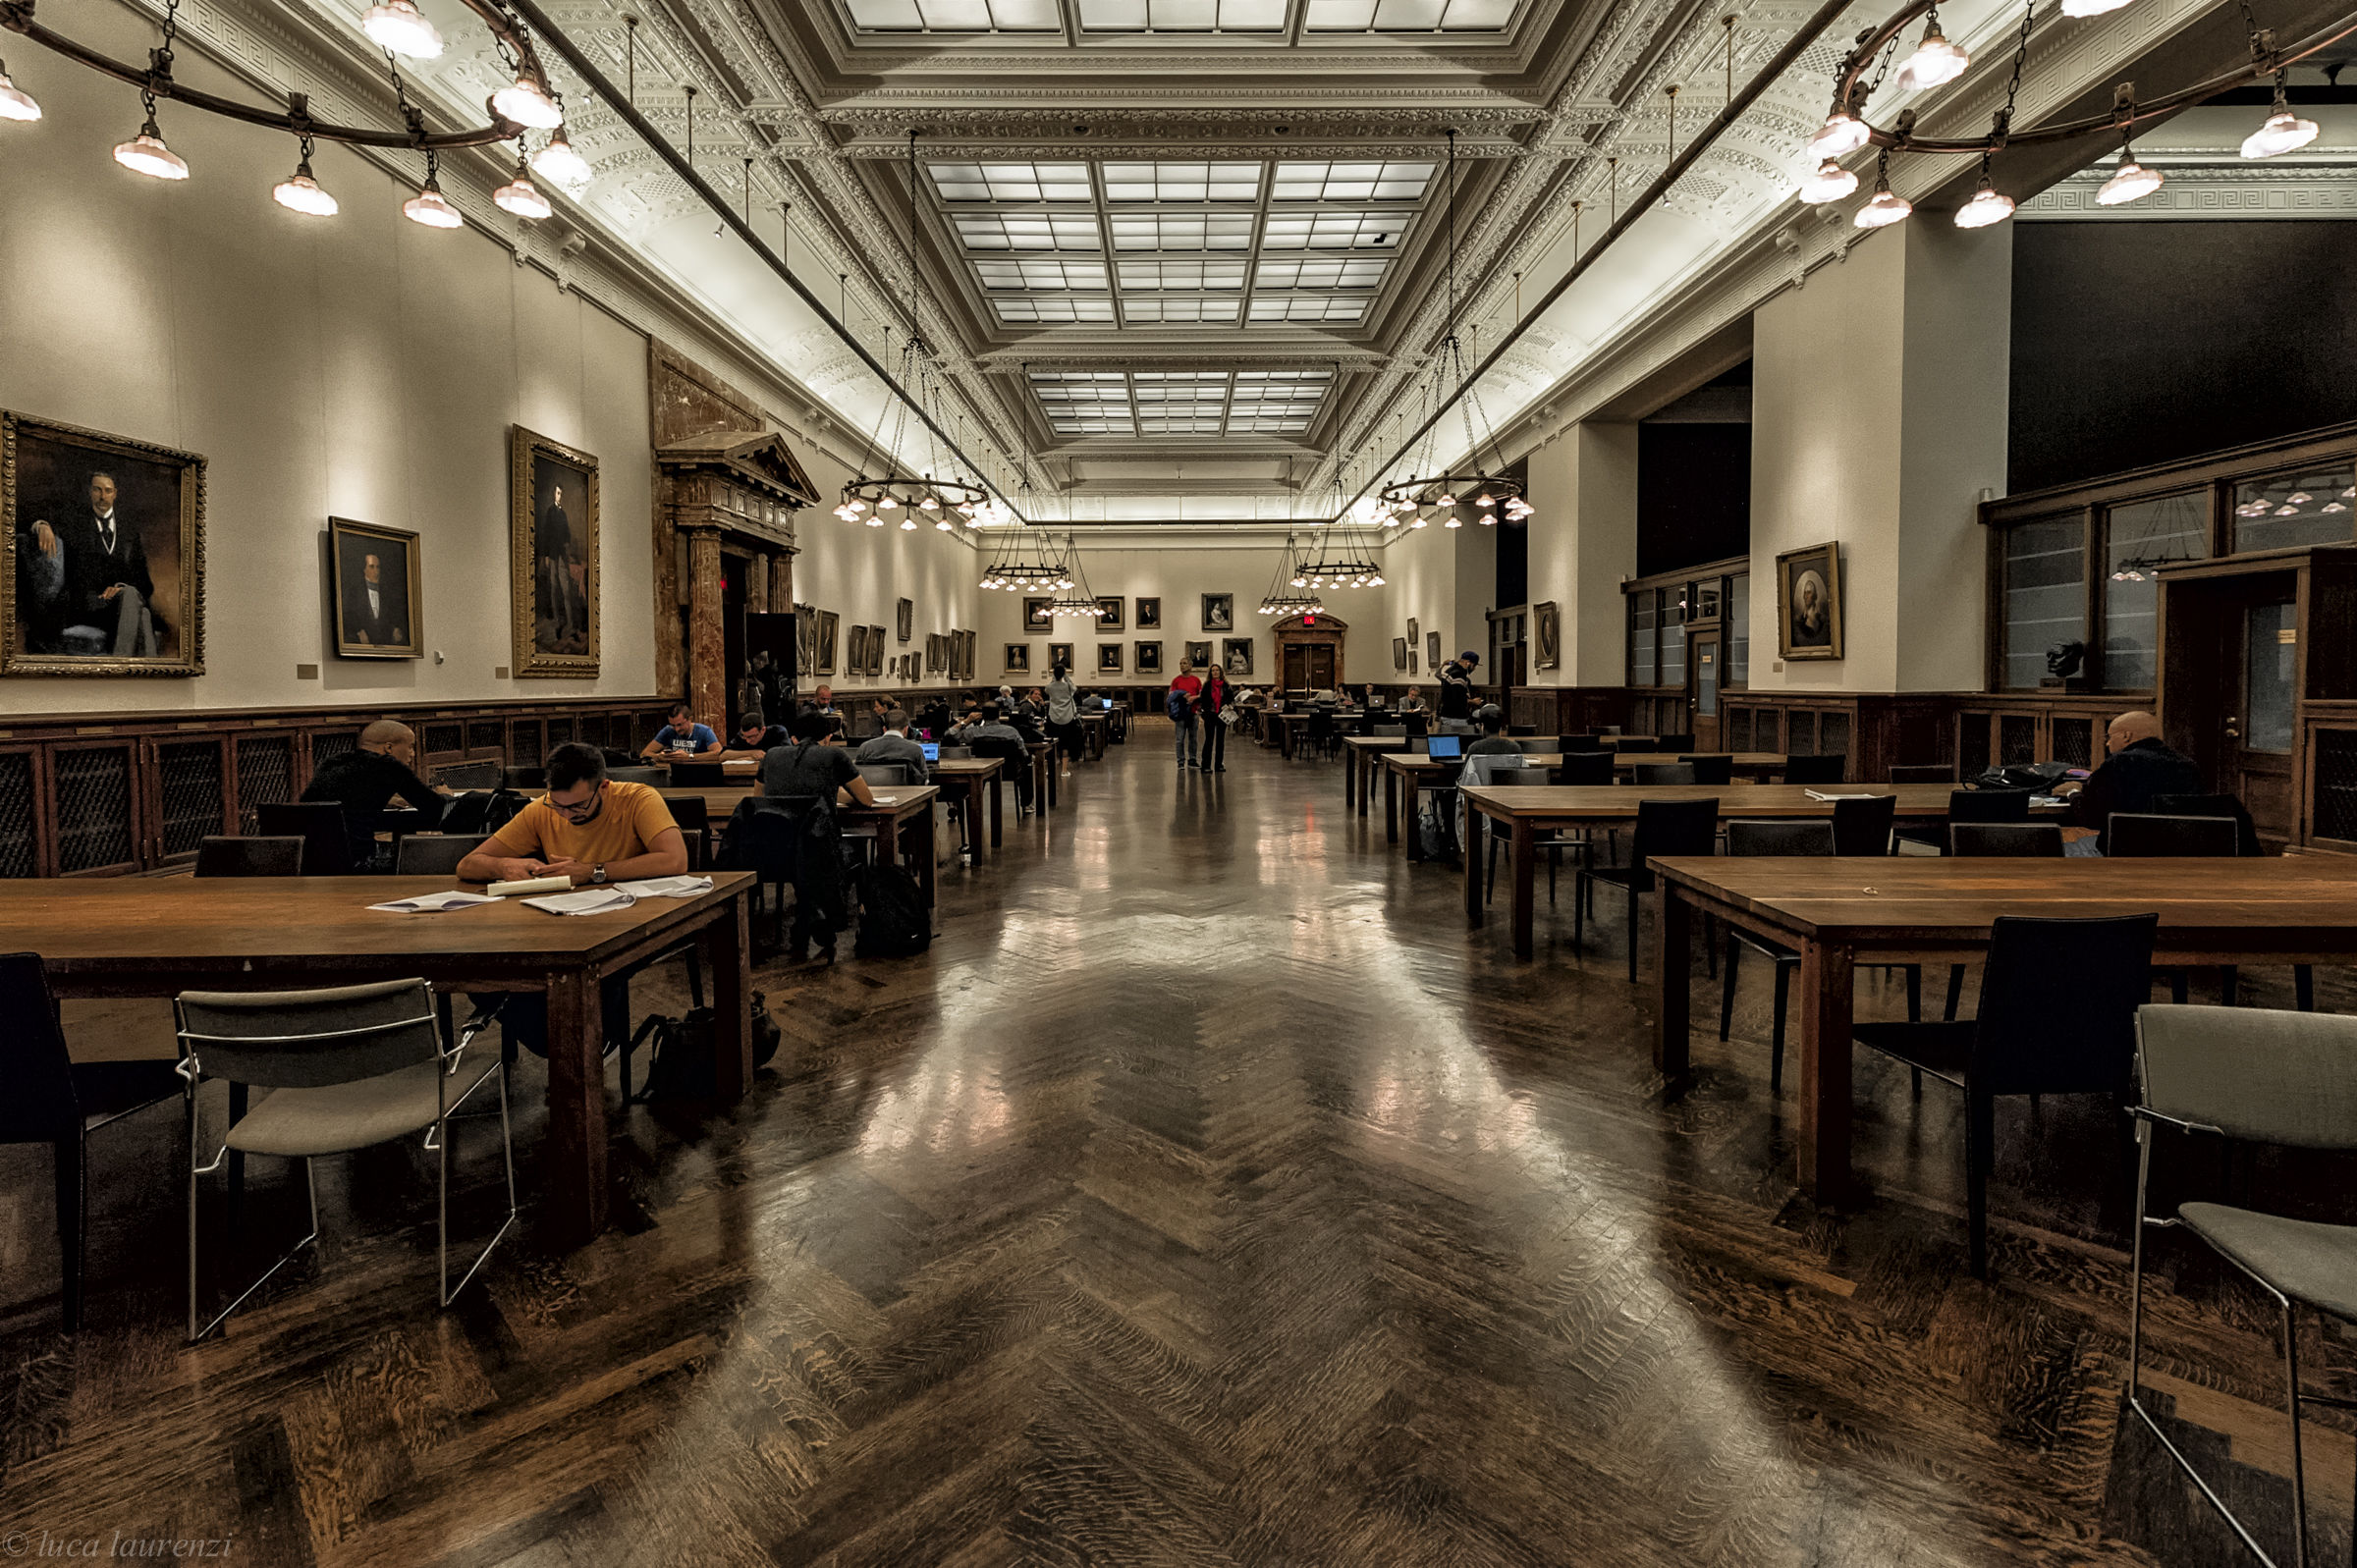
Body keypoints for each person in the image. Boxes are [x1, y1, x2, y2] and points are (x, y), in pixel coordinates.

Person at [459, 741, 687, 888]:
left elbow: (675, 860)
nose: (566, 815)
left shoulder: (638, 799)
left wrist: (593, 871)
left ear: (604, 787)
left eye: (578, 806)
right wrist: (503, 866)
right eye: (558, 805)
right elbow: (468, 865)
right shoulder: (540, 809)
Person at [20, 470, 160, 656]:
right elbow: (20, 513)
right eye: (97, 490)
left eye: (108, 491)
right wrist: (42, 525)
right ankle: (133, 674)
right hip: (84, 605)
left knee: (132, 596)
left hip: (117, 606)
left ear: (115, 494)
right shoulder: (74, 521)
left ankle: (120, 662)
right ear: (89, 492)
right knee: (143, 615)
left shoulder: (129, 532)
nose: (103, 496)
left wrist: (121, 587)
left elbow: (145, 583)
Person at [301, 718, 451, 866]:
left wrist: (385, 800)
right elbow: (435, 808)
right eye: (410, 747)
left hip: (312, 856)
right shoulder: (389, 765)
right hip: (360, 859)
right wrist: (444, 795)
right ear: (389, 748)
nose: (412, 754)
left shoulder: (333, 762)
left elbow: (341, 806)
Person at [2055, 710, 2204, 853]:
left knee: (2056, 848)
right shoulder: (2188, 765)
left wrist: (2073, 793)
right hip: (2179, 850)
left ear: (2126, 736)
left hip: (2120, 850)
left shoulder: (2118, 763)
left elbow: (2091, 818)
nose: (2107, 744)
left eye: (2109, 737)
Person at [759, 711, 877, 808]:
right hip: (818, 833)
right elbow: (866, 799)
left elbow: (758, 799)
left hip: (777, 833)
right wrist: (837, 794)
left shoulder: (770, 756)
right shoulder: (834, 755)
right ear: (827, 738)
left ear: (794, 739)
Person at [536, 482, 583, 648]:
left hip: (562, 556)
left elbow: (567, 533)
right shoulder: (550, 512)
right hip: (553, 555)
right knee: (554, 587)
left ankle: (569, 621)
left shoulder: (562, 513)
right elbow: (546, 534)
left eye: (561, 493)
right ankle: (556, 618)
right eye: (557, 493)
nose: (559, 496)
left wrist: (567, 548)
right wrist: (547, 556)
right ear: (553, 494)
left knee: (565, 588)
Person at [342, 548, 407, 649]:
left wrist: (395, 629)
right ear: (364, 569)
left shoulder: (386, 592)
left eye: (378, 567)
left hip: (385, 641)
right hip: (362, 641)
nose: (376, 571)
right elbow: (348, 616)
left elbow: (392, 616)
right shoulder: (354, 591)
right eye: (371, 567)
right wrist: (359, 631)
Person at [855, 709, 931, 782]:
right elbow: (924, 779)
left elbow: (857, 777)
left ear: (884, 729)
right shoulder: (915, 749)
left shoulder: (865, 748)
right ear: (906, 730)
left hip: (875, 793)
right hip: (907, 793)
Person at [642, 702, 722, 761]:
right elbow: (644, 754)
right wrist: (659, 757)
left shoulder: (704, 731)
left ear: (690, 719)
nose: (676, 729)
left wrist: (689, 757)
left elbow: (719, 754)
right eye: (673, 725)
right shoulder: (668, 730)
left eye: (679, 725)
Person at [1045, 664, 1081, 776]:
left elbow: (1047, 689)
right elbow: (1074, 688)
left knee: (1052, 744)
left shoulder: (1050, 687)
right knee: (1065, 744)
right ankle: (1064, 770)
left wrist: (1053, 678)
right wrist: (1066, 677)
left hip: (1054, 717)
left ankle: (1049, 770)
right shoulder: (1068, 687)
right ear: (1064, 673)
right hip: (1067, 718)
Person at [1169, 664, 1204, 771]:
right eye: (1180, 663)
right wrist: (1182, 695)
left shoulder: (1196, 680)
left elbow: (1201, 694)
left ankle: (1192, 760)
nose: (1181, 666)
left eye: (1184, 663)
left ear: (1190, 666)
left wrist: (1194, 698)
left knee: (1193, 738)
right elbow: (1171, 695)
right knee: (1180, 739)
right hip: (1180, 713)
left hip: (1193, 712)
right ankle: (1180, 761)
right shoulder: (1176, 680)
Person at [1199, 661, 1231, 774]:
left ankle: (1219, 765)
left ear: (1220, 672)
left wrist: (1229, 705)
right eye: (1213, 670)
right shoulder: (1207, 686)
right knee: (1209, 740)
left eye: (1217, 670)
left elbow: (1231, 699)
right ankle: (1206, 765)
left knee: (1220, 741)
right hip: (1210, 714)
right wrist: (1204, 712)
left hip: (1222, 715)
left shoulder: (1226, 686)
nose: (1215, 672)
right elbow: (1202, 700)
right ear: (1210, 673)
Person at [723, 714, 791, 758]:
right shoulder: (742, 735)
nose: (747, 741)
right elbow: (723, 755)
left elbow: (788, 755)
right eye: (744, 736)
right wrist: (751, 753)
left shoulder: (778, 732)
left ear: (763, 730)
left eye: (751, 737)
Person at [1438, 650, 1478, 721]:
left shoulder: (1448, 671)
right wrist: (1473, 701)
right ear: (1467, 662)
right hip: (1455, 716)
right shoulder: (1459, 675)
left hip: (1445, 713)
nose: (1474, 668)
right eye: (1474, 665)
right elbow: (1457, 698)